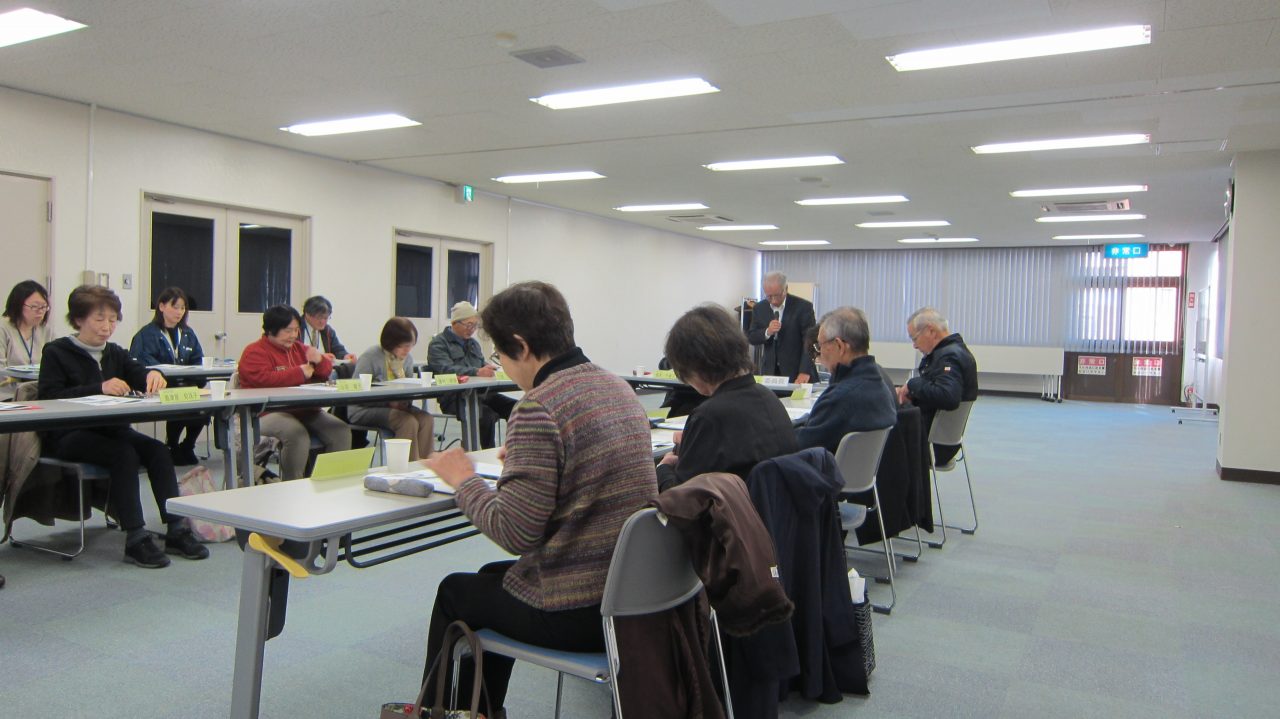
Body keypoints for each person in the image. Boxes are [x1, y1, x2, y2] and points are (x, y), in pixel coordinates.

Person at [419, 281, 657, 717]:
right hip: (632, 595)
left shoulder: (538, 406)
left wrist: (463, 479)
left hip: (579, 609)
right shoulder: (617, 387)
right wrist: (534, 459)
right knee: (493, 577)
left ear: (522, 347)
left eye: (501, 357)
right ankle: (480, 711)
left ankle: (441, 712)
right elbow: (586, 463)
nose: (504, 368)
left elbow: (516, 532)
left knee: (455, 592)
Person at [37, 285, 208, 568]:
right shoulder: (57, 351)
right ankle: (136, 537)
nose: (107, 327)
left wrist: (153, 375)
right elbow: (48, 397)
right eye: (99, 319)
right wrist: (98, 388)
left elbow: (137, 373)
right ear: (79, 319)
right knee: (123, 454)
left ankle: (176, 527)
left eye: (113, 320)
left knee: (157, 450)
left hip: (111, 429)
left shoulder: (115, 353)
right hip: (69, 434)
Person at [657, 304, 798, 492]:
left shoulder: (709, 416)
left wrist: (664, 469)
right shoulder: (769, 397)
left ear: (693, 365)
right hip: (776, 514)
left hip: (735, 519)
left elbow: (682, 504)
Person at [237, 304, 351, 480]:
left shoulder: (299, 348)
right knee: (296, 434)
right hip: (266, 412)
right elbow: (263, 380)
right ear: (271, 330)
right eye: (288, 331)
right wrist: (298, 373)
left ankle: (330, 482)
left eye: (296, 330)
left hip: (303, 409)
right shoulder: (254, 351)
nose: (293, 335)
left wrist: (320, 360)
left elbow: (325, 370)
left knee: (340, 430)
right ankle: (293, 485)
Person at [795, 307, 897, 453]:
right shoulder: (878, 384)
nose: (820, 353)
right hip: (854, 474)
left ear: (839, 346)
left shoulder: (842, 397)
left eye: (820, 346)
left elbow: (801, 443)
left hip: (820, 472)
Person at [128, 287, 208, 466]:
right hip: (162, 387)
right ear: (162, 307)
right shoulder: (147, 334)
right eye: (175, 307)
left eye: (182, 308)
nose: (179, 312)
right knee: (181, 402)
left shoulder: (187, 333)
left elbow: (198, 359)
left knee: (205, 405)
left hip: (185, 385)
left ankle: (188, 445)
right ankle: (171, 445)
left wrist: (193, 377)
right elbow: (143, 361)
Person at [426, 300, 516, 449]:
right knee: (485, 415)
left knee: (516, 408)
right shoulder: (439, 344)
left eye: (475, 325)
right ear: (455, 323)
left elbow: (480, 364)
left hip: (481, 394)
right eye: (469, 325)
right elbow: (445, 369)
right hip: (454, 397)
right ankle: (487, 456)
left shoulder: (473, 344)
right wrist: (477, 371)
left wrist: (488, 368)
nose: (472, 329)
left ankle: (514, 450)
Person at [896, 307, 978, 468]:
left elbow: (948, 396)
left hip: (932, 442)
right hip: (939, 438)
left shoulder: (949, 356)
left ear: (931, 331)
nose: (914, 345)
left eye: (915, 338)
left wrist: (912, 384)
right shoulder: (954, 352)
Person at [349, 317, 434, 460]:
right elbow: (357, 393)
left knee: (427, 419)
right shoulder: (371, 356)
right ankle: (407, 469)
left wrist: (405, 401)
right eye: (403, 345)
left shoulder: (407, 359)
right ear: (391, 342)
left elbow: (408, 388)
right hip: (364, 409)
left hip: (398, 407)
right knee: (407, 421)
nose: (408, 350)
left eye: (411, 345)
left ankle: (427, 465)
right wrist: (388, 403)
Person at [748, 271, 816, 382]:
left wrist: (804, 371)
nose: (774, 300)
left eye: (777, 295)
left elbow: (810, 341)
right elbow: (752, 337)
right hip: (770, 373)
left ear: (786, 289)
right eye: (769, 296)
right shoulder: (759, 308)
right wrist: (767, 332)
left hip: (797, 372)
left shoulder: (803, 307)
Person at [0, 280, 56, 401]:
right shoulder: (3, 329)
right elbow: (1, 372)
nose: (40, 311)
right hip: (7, 395)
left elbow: (55, 365)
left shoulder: (46, 330)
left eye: (43, 307)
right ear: (18, 305)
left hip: (37, 393)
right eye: (34, 306)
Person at [300, 295, 356, 363]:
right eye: (319, 317)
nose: (323, 321)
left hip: (326, 371)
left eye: (326, 318)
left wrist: (345, 356)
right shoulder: (296, 329)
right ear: (307, 314)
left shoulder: (327, 331)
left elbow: (338, 350)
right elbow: (294, 355)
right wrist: (320, 358)